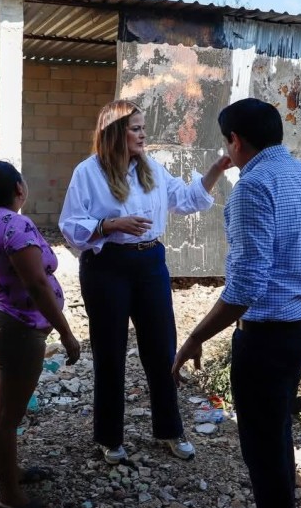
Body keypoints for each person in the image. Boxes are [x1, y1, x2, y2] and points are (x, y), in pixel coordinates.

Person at [172, 98, 301, 508]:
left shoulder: (253, 188)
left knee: (265, 450)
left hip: (269, 341)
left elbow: (244, 289)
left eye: (224, 141)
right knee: (275, 441)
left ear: (235, 142)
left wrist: (192, 338)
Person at [59, 99, 230, 465]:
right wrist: (110, 225)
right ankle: (109, 437)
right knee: (110, 352)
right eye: (135, 128)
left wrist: (216, 169)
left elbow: (184, 200)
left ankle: (169, 430)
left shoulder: (151, 168)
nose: (142, 135)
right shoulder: (87, 173)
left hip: (151, 262)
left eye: (142, 128)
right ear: (115, 132)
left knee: (161, 348)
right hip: (107, 266)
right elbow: (70, 226)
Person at [0, 161, 81, 508]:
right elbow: (36, 284)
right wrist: (66, 332)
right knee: (6, 417)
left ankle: (9, 474)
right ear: (18, 188)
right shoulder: (15, 224)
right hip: (16, 328)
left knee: (2, 408)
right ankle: (9, 497)